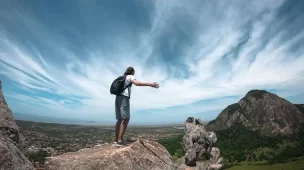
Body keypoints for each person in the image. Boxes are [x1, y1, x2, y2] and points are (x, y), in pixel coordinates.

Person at [113, 66, 159, 146]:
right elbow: (137, 83)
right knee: (126, 118)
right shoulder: (130, 76)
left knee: (119, 119)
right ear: (133, 72)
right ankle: (120, 140)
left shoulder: (123, 77)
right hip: (124, 97)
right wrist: (150, 84)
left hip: (118, 97)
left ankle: (117, 139)